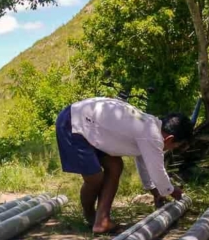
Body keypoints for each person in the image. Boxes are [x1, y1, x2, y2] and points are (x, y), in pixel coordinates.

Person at [55, 97, 193, 233]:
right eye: (175, 147)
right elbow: (157, 171)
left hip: (89, 125)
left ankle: (101, 221)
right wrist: (172, 191)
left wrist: (155, 191)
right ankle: (90, 216)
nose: (170, 150)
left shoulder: (150, 126)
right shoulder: (153, 136)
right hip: (73, 123)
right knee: (94, 179)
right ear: (170, 139)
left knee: (115, 166)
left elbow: (144, 162)